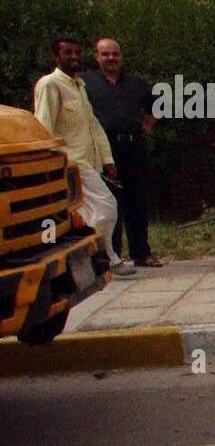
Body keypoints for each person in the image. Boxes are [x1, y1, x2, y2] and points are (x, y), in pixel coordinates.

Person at [33, 38, 134, 277]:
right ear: (55, 57)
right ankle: (94, 256)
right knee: (107, 207)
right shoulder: (50, 85)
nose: (74, 57)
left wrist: (107, 159)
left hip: (88, 161)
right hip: (70, 162)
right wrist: (48, 166)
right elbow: (43, 126)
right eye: (67, 53)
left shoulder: (79, 85)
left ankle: (106, 259)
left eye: (77, 52)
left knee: (89, 214)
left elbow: (92, 125)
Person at [82, 38, 162, 268]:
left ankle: (141, 253)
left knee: (138, 201)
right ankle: (111, 254)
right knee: (109, 203)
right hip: (104, 151)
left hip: (133, 148)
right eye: (105, 54)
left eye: (115, 54)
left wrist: (148, 123)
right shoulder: (85, 83)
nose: (111, 58)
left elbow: (159, 104)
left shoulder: (135, 83)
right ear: (97, 56)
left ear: (121, 56)